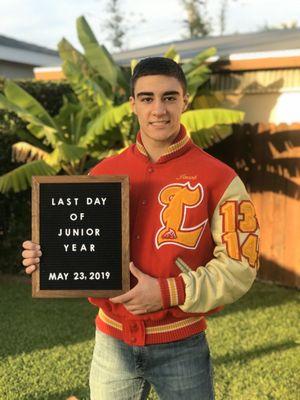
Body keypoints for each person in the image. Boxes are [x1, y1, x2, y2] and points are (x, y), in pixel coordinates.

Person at [22, 57, 260, 400]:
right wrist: (50, 257)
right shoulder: (99, 175)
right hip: (111, 344)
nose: (158, 109)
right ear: (133, 104)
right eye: (147, 98)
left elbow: (240, 268)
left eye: (169, 97)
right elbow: (82, 247)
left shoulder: (221, 179)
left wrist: (168, 292)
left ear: (185, 101)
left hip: (183, 346)